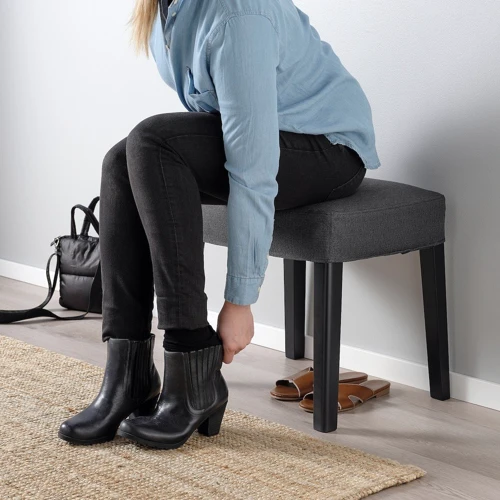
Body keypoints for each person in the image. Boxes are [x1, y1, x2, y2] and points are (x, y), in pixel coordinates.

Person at [58, 0, 381, 450]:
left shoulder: (237, 14)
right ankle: (127, 377)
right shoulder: (165, 11)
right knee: (121, 160)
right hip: (268, 133)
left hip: (327, 148)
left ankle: (194, 368)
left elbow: (254, 170)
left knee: (151, 141)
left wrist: (239, 301)